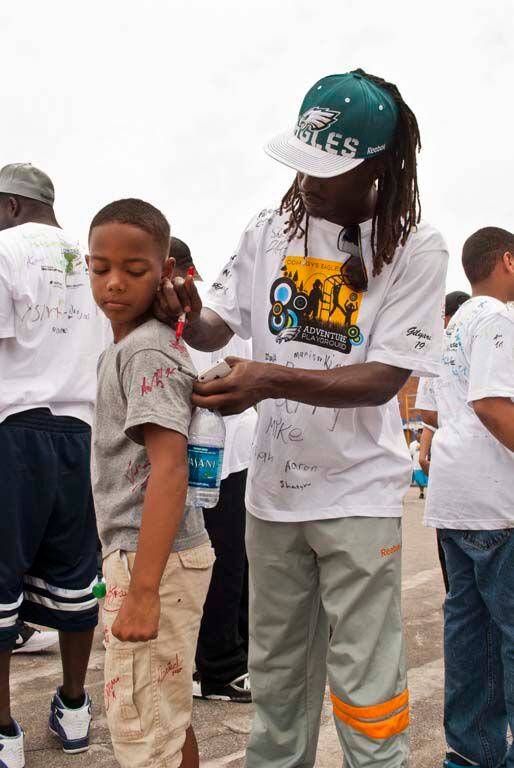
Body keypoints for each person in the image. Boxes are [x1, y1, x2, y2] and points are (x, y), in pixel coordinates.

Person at [157, 69, 448, 768]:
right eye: (303, 163)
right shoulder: (271, 229)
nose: (310, 183)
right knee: (279, 683)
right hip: (272, 495)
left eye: (329, 170)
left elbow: (384, 379)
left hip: (358, 496)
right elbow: (220, 327)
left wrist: (269, 378)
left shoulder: (415, 246)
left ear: (380, 166)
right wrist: (184, 308)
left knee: (367, 685)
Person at [88, 200, 214, 768]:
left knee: (145, 729)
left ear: (164, 270)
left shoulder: (143, 349)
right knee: (163, 715)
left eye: (135, 270)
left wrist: (142, 590)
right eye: (100, 267)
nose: (114, 282)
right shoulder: (129, 345)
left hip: (152, 560)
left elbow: (170, 466)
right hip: (148, 554)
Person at [0, 163, 105, 767]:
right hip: (81, 436)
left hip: (14, 432)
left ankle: (4, 731)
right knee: (73, 577)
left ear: (12, 205)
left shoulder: (6, 250)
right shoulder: (94, 258)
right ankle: (73, 707)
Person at [423, 227, 514, 768]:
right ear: (508, 260)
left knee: (468, 632)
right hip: (497, 501)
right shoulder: (500, 321)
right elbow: (492, 405)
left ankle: (470, 754)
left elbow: (441, 408)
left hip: (455, 499)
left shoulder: (454, 325)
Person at [171, 237, 256, 703]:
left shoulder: (205, 319)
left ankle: (224, 665)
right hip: (217, 455)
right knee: (225, 563)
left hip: (222, 454)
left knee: (227, 563)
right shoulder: (214, 319)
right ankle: (222, 667)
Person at [416, 290, 471, 592]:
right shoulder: (488, 335)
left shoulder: (435, 348)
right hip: (484, 482)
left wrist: (425, 450)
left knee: (457, 590)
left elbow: (428, 412)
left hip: (448, 482)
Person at [409, 430, 427, 499]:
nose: (418, 436)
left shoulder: (426, 442)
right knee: (419, 481)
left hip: (425, 465)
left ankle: (429, 494)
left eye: (420, 434)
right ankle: (421, 492)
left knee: (428, 481)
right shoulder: (412, 444)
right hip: (416, 466)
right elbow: (410, 454)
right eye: (417, 435)